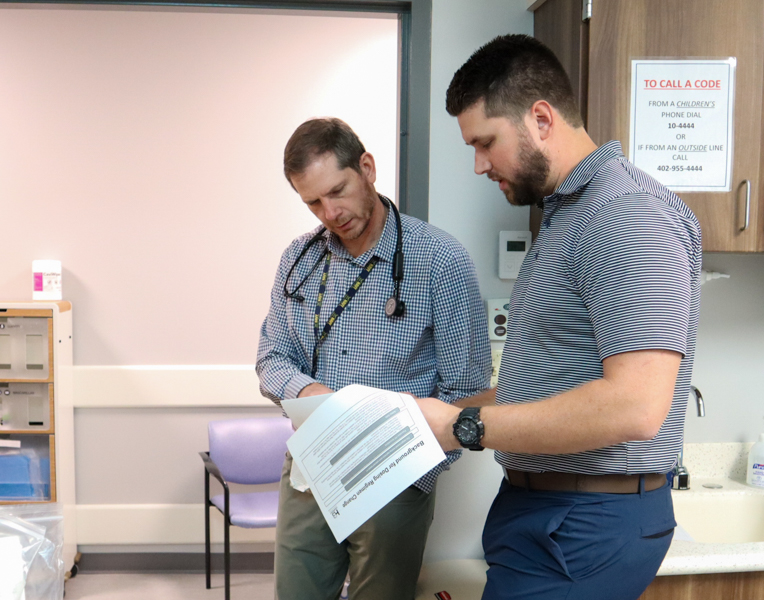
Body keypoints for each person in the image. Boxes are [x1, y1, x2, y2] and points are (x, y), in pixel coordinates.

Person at [416, 35, 702, 600]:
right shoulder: (569, 214)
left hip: (585, 519)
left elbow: (637, 406)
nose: (478, 165)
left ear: (540, 118)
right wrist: (433, 414)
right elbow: (547, 385)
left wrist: (461, 427)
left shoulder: (624, 213)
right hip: (546, 511)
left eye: (485, 142)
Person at [257, 117, 491, 600]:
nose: (330, 212)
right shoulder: (298, 260)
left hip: (395, 476)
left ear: (367, 167)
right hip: (312, 468)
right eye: (313, 202)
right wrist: (310, 392)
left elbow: (470, 393)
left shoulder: (440, 262)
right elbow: (271, 358)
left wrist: (413, 464)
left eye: (337, 191)